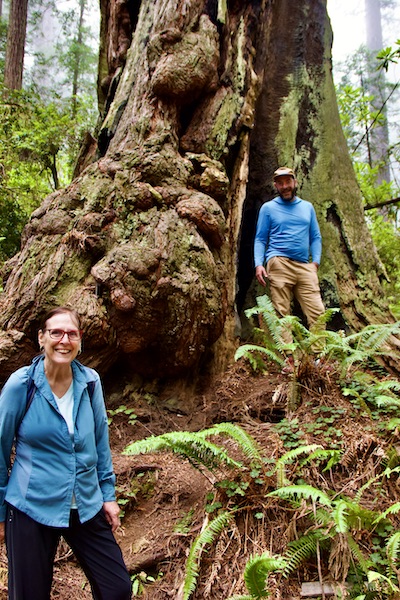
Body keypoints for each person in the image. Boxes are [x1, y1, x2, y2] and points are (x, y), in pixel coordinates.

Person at [0, 307, 132, 600]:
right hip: (30, 505)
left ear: (80, 340)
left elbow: (100, 441)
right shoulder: (22, 385)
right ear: (42, 338)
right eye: (56, 332)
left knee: (117, 588)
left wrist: (108, 495)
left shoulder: (90, 382)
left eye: (72, 333)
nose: (64, 340)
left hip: (84, 503)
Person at [254, 167, 325, 370]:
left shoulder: (307, 207)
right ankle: (289, 359)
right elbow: (260, 238)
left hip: (305, 266)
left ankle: (318, 357)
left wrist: (316, 262)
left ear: (294, 182)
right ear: (276, 185)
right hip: (278, 262)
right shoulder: (268, 208)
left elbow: (316, 237)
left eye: (288, 182)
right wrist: (259, 263)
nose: (285, 186)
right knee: (281, 312)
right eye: (280, 183)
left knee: (318, 312)